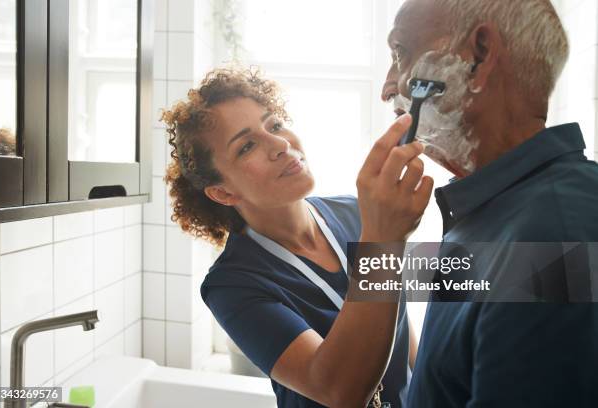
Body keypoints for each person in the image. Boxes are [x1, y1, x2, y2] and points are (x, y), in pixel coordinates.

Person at [162, 67, 434, 407]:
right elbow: (340, 391)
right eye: (247, 146)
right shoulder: (231, 285)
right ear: (222, 192)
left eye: (274, 124)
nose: (280, 144)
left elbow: (402, 326)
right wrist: (385, 240)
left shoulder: (357, 212)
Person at [380, 0, 598, 406]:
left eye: (400, 54)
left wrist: (380, 241)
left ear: (478, 56)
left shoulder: (552, 239)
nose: (388, 87)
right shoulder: (492, 211)